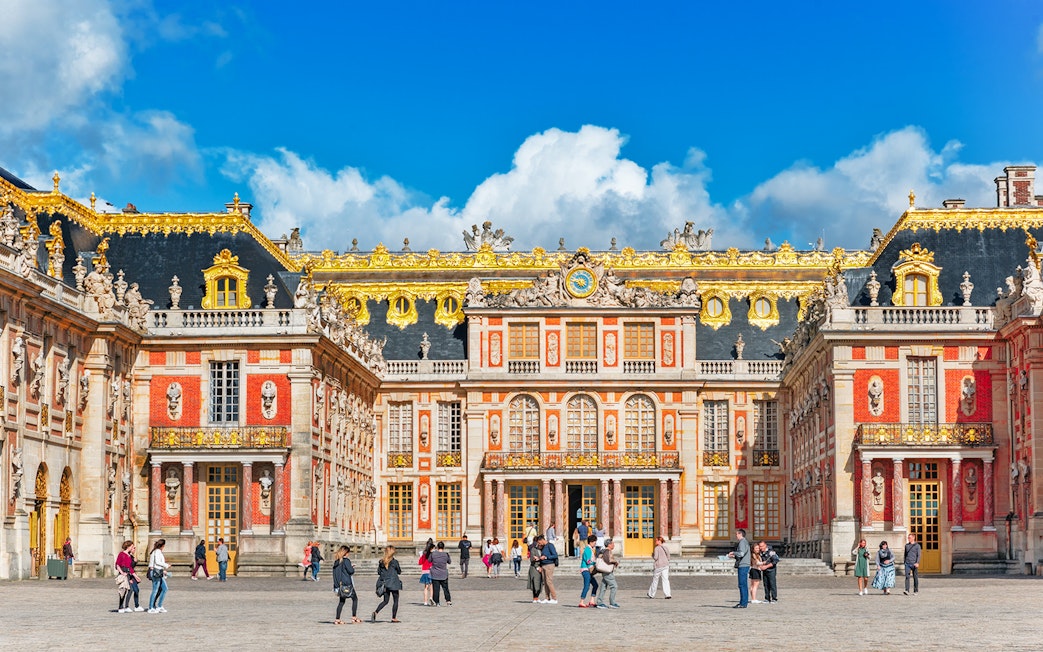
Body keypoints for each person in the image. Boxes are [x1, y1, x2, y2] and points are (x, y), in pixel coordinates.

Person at [372, 545, 403, 623]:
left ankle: (376, 612)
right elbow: (399, 571)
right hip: (394, 583)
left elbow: (379, 572)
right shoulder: (394, 562)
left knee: (385, 601)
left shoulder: (381, 562)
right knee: (395, 601)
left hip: (385, 583)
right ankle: (393, 618)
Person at [332, 545, 360, 624]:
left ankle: (337, 619)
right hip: (347, 583)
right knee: (355, 599)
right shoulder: (346, 560)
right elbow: (350, 571)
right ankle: (354, 617)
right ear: (346, 553)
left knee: (341, 602)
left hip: (339, 584)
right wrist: (352, 567)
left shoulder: (337, 561)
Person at [727, 528, 751, 608]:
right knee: (743, 584)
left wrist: (733, 552)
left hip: (743, 565)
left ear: (740, 534)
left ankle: (743, 603)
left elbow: (741, 553)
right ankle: (743, 602)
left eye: (737, 534)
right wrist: (734, 556)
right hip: (744, 564)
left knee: (742, 584)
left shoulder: (742, 542)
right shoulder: (744, 542)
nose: (736, 536)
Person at [115, 541, 140, 613]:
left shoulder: (129, 556)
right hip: (124, 573)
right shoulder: (122, 554)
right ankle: (121, 606)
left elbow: (130, 567)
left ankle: (126, 606)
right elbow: (117, 564)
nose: (133, 548)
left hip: (129, 573)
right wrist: (122, 572)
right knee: (123, 590)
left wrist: (135, 576)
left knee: (130, 589)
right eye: (132, 546)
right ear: (128, 547)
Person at [595, 538, 619, 608]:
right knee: (614, 586)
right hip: (607, 571)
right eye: (612, 543)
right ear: (609, 544)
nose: (614, 545)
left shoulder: (603, 550)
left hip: (604, 571)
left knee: (603, 587)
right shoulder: (607, 551)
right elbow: (607, 560)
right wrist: (615, 562)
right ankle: (612, 602)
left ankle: (599, 602)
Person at [147, 539, 170, 613]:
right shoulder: (157, 552)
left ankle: (159, 605)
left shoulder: (158, 552)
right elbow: (157, 562)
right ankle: (151, 607)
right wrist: (166, 565)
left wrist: (163, 570)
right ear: (162, 546)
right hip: (155, 572)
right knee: (155, 590)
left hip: (159, 572)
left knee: (165, 588)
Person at [429, 541, 453, 606]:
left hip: (435, 573)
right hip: (443, 574)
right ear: (443, 547)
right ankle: (448, 600)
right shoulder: (446, 554)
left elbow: (429, 560)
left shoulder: (433, 554)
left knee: (436, 589)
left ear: (437, 547)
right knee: (445, 588)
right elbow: (449, 561)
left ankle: (437, 602)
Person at [578, 534, 599, 607]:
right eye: (594, 542)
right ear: (591, 542)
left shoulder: (590, 549)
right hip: (585, 570)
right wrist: (595, 562)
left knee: (595, 585)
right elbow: (588, 561)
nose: (595, 543)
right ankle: (581, 601)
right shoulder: (587, 549)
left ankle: (592, 600)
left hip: (588, 570)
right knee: (586, 586)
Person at [538, 534, 559, 603]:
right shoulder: (543, 547)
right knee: (545, 582)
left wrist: (546, 557)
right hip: (543, 565)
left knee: (549, 581)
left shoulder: (550, 545)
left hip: (549, 565)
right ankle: (547, 597)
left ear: (542, 540)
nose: (539, 544)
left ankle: (554, 598)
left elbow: (555, 555)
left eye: (539, 542)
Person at [526, 537, 544, 603]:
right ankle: (535, 597)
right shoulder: (533, 549)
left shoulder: (543, 550)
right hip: (534, 568)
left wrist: (539, 559)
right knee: (534, 583)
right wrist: (537, 567)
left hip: (542, 567)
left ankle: (537, 596)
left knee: (540, 583)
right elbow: (532, 559)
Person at [419, 540, 434, 605]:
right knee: (431, 586)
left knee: (425, 587)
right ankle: (431, 597)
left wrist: (420, 557)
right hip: (431, 571)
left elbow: (420, 562)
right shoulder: (433, 554)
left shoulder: (424, 554)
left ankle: (425, 601)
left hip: (424, 571)